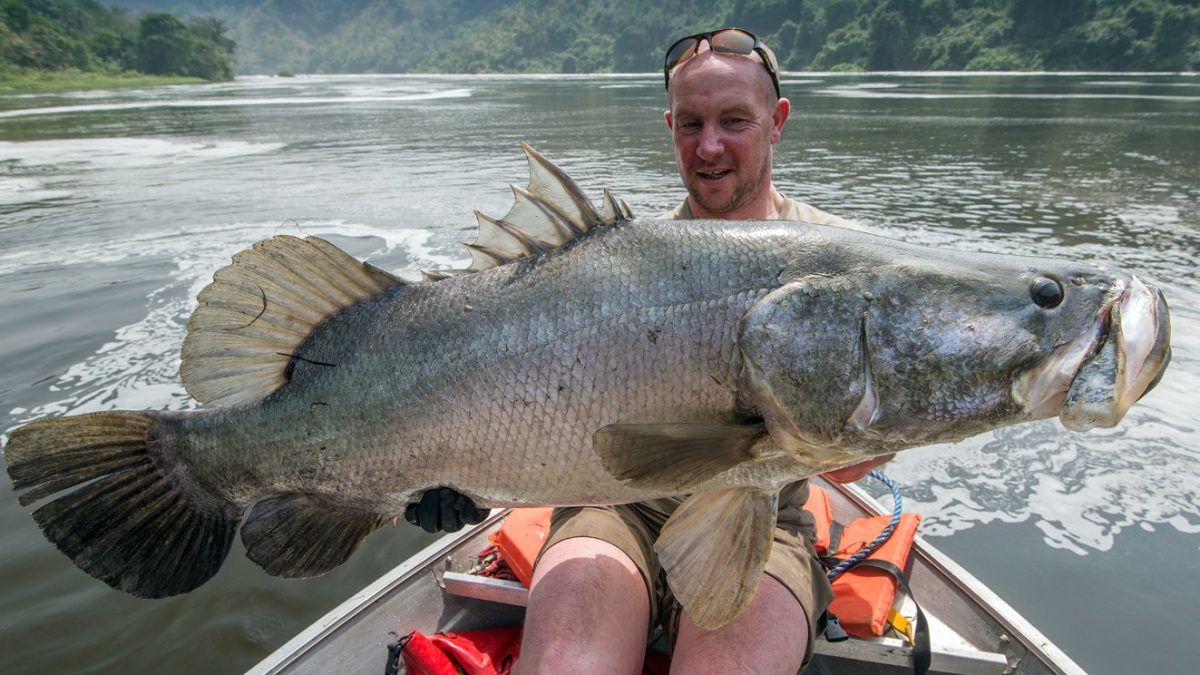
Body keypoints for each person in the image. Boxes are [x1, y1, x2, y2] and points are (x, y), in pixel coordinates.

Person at [405, 27, 892, 674]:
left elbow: (865, 455)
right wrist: (451, 472)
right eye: (690, 123)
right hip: (610, 508)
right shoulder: (616, 267)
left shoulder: (847, 262)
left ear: (777, 121)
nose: (709, 145)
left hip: (761, 518)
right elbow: (524, 403)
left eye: (734, 120)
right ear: (669, 125)